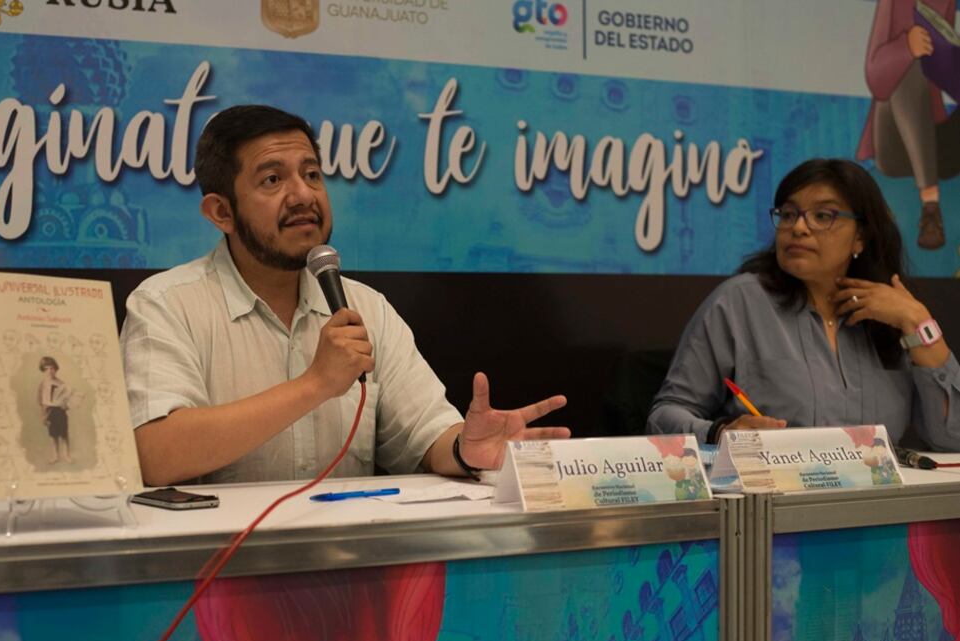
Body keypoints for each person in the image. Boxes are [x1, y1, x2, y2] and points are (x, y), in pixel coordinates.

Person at [119, 105, 569, 487]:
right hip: (212, 575)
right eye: (272, 180)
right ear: (221, 212)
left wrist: (464, 449)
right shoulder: (166, 304)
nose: (302, 195)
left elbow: (426, 434)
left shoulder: (365, 307)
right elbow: (157, 453)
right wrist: (315, 384)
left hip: (349, 572)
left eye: (311, 174)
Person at [647, 158, 960, 451]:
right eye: (788, 214)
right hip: (771, 502)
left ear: (861, 237)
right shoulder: (739, 303)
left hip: (880, 506)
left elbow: (951, 438)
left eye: (823, 216)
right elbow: (664, 417)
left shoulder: (891, 316)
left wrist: (917, 320)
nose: (798, 227)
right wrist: (718, 432)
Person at [857, 0, 960, 250]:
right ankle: (930, 206)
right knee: (910, 66)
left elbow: (946, 74)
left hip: (934, 142)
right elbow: (875, 77)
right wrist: (906, 47)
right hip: (895, 144)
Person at [38, 356, 73, 463]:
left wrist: (66, 405)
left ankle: (66, 455)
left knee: (64, 434)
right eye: (47, 369)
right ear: (43, 370)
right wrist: (43, 415)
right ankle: (55, 456)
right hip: (49, 411)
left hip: (60, 412)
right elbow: (41, 400)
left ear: (56, 369)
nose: (50, 371)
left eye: (52, 368)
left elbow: (67, 399)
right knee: (53, 435)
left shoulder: (61, 384)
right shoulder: (43, 384)